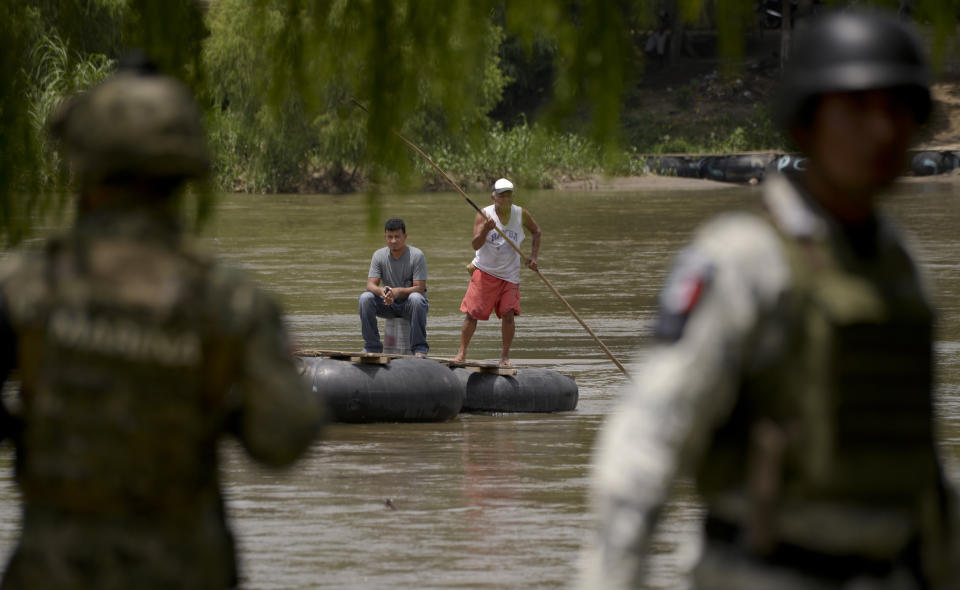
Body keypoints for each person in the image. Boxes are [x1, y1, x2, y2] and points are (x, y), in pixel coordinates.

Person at [581, 10, 958, 590]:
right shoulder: (742, 261)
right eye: (857, 109)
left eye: (898, 110)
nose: (882, 130)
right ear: (806, 126)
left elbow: (920, 471)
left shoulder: (899, 270)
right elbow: (641, 453)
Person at [0, 60, 326, 590]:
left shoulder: (25, 288)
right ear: (183, 175)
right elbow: (285, 436)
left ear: (86, 170)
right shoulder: (230, 301)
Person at [453, 178, 541, 367]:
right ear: (493, 197)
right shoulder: (484, 215)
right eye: (501, 196)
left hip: (510, 275)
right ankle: (461, 353)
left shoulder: (520, 214)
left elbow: (537, 232)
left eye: (509, 195)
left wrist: (533, 258)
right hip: (485, 271)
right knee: (472, 314)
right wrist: (485, 229)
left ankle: (504, 357)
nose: (505, 199)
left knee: (508, 315)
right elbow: (475, 244)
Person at [359, 218, 429, 357]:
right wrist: (383, 292)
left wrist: (398, 292)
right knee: (365, 298)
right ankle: (372, 347)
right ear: (385, 237)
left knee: (416, 299)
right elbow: (370, 284)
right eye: (389, 237)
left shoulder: (417, 255)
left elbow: (420, 288)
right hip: (388, 304)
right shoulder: (378, 255)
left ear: (405, 236)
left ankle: (419, 348)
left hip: (409, 305)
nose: (393, 241)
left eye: (397, 237)